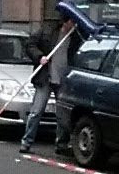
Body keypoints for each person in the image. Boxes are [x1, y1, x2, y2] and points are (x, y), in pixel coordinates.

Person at [20, 16, 80, 155]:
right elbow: (30, 45)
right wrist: (39, 56)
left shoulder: (76, 37)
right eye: (72, 22)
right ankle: (26, 142)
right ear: (66, 21)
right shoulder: (48, 31)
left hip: (63, 80)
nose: (74, 25)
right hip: (45, 77)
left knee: (62, 114)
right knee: (36, 111)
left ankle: (61, 143)